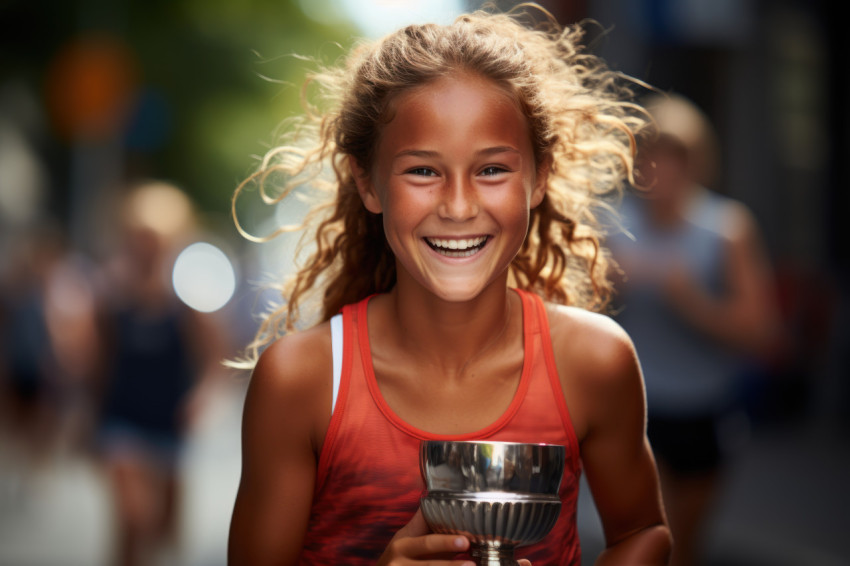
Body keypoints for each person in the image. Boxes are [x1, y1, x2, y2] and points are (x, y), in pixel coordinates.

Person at [228, 6, 671, 565]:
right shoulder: (302, 380)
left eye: (491, 170)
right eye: (423, 171)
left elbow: (644, 533)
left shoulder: (594, 362)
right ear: (368, 183)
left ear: (540, 176)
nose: (459, 207)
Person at [609, 93, 780, 566]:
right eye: (651, 157)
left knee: (686, 543)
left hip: (707, 408)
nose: (660, 171)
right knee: (648, 536)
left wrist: (691, 301)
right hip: (638, 408)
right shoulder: (613, 226)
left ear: (696, 162)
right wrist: (608, 282)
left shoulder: (726, 228)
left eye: (673, 159)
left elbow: (761, 330)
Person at [94, 181, 229, 566]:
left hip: (169, 422)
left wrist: (202, 397)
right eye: (138, 236)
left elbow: (213, 358)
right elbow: (101, 359)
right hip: (121, 418)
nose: (145, 246)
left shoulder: (188, 296)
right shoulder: (112, 293)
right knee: (134, 515)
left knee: (164, 530)